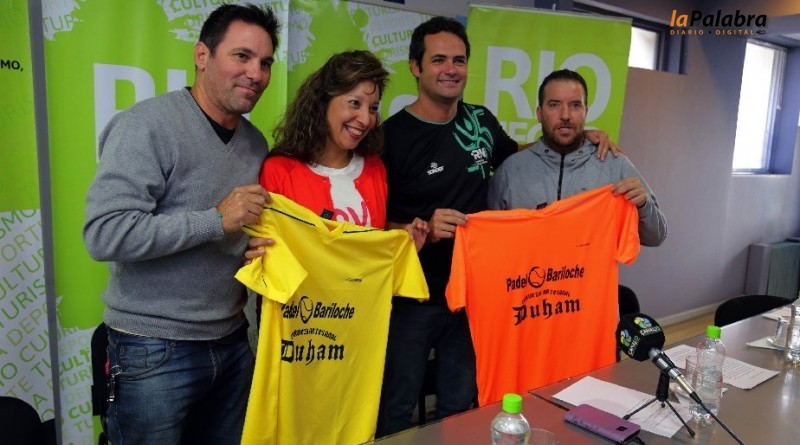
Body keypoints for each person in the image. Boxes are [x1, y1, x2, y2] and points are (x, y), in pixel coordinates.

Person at [376, 17, 618, 436]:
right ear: (416, 67)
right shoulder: (390, 137)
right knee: (396, 407)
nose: (451, 69)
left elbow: (522, 156)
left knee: (460, 407)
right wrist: (423, 228)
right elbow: (374, 227)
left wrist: (577, 135)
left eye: (459, 60)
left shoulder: (481, 122)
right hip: (414, 298)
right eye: (439, 60)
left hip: (478, 297)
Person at [82, 4, 279, 444]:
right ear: (202, 55)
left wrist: (252, 248)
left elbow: (236, 229)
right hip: (153, 348)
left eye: (265, 62)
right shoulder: (147, 125)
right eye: (242, 56)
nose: (256, 73)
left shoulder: (255, 143)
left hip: (233, 342)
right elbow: (105, 233)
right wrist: (215, 221)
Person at [255, 50, 428, 245]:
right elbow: (270, 249)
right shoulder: (278, 171)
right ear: (323, 102)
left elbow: (375, 243)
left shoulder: (375, 167)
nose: (366, 120)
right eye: (354, 103)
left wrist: (405, 239)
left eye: (373, 108)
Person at [488, 69, 667, 246]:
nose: (565, 115)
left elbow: (656, 237)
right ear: (539, 113)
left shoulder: (614, 164)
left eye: (575, 105)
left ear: (585, 112)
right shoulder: (510, 171)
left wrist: (644, 205)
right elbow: (490, 241)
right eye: (554, 105)